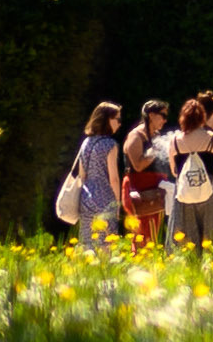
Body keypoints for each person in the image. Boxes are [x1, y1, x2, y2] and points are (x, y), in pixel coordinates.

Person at [169, 93, 213, 250]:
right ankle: (210, 273)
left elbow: (174, 172)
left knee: (186, 245)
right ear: (202, 117)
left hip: (184, 196)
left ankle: (188, 272)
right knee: (211, 243)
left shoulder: (174, 141)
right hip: (210, 195)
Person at [61, 101, 126, 243]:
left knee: (87, 243)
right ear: (107, 119)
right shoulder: (110, 145)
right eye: (118, 119)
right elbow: (114, 178)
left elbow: (82, 174)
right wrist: (117, 205)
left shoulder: (86, 142)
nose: (120, 123)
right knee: (105, 244)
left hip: (86, 197)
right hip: (105, 199)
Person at [116, 101, 173, 251]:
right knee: (141, 235)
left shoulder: (155, 135)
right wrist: (156, 149)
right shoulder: (136, 135)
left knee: (152, 235)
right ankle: (139, 267)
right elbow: (138, 165)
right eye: (163, 115)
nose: (165, 120)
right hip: (139, 190)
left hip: (154, 192)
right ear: (151, 115)